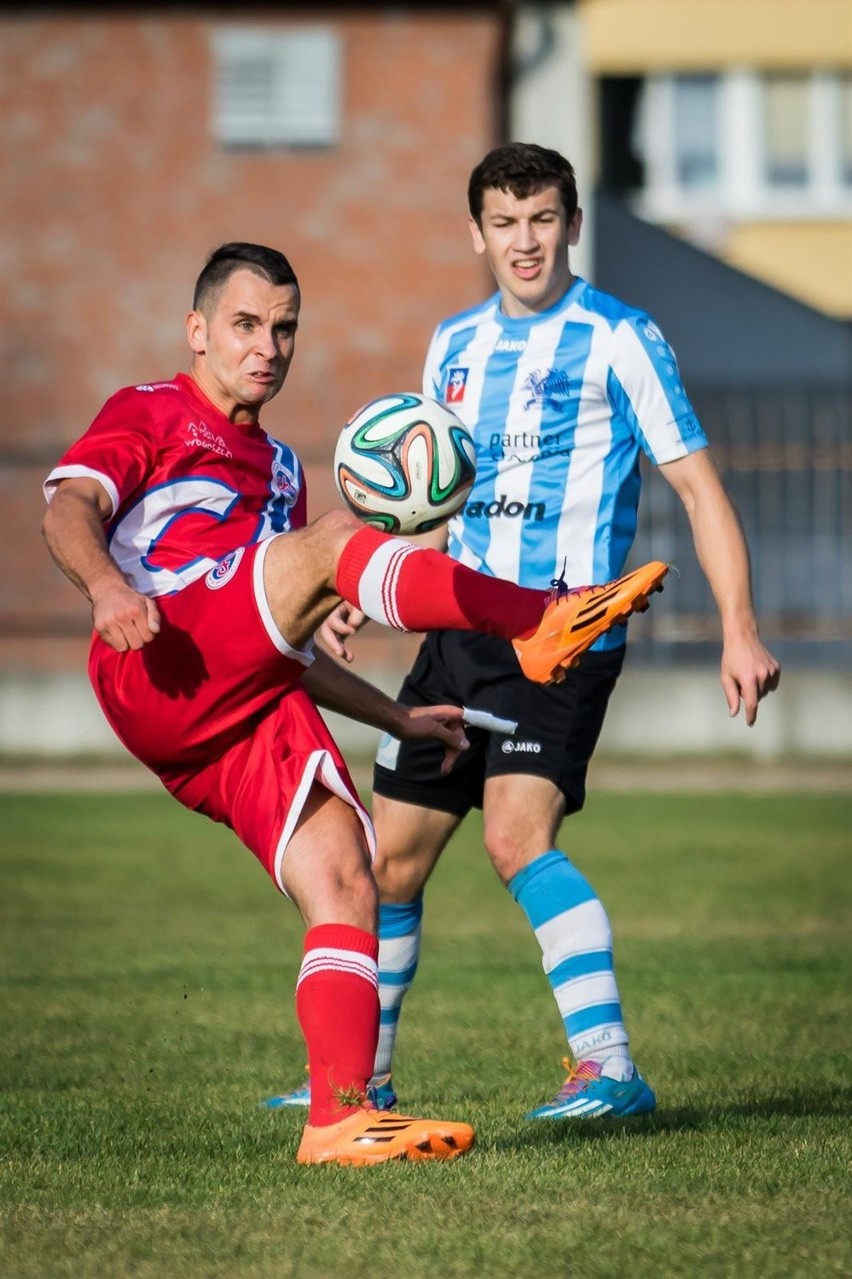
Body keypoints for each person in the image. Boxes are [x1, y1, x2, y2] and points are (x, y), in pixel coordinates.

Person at [40, 240, 667, 1165]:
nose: (268, 346)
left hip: (236, 705)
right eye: (247, 324)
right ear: (198, 330)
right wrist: (103, 588)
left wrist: (397, 717)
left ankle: (339, 1116)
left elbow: (284, 637)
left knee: (345, 871)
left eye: (285, 327)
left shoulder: (286, 470)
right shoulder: (150, 409)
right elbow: (67, 509)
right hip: (155, 652)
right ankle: (540, 619)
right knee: (346, 540)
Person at [267, 144, 781, 1121]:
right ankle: (359, 1078)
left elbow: (701, 492)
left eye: (542, 218)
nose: (525, 240)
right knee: (391, 862)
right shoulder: (452, 346)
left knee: (514, 836)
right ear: (478, 234)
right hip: (457, 636)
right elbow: (420, 506)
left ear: (572, 224)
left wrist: (739, 630)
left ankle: (608, 1063)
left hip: (563, 631)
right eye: (505, 223)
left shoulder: (622, 337)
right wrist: (357, 586)